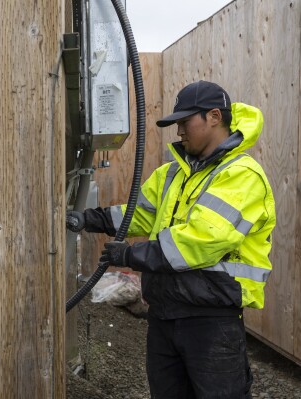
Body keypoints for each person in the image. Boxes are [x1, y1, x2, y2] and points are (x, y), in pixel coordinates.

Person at [67, 80, 276, 398]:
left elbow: (200, 241)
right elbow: (137, 214)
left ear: (215, 117)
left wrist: (130, 255)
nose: (178, 130)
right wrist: (86, 220)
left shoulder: (241, 175)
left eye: (185, 121)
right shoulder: (172, 175)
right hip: (164, 316)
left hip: (210, 320)